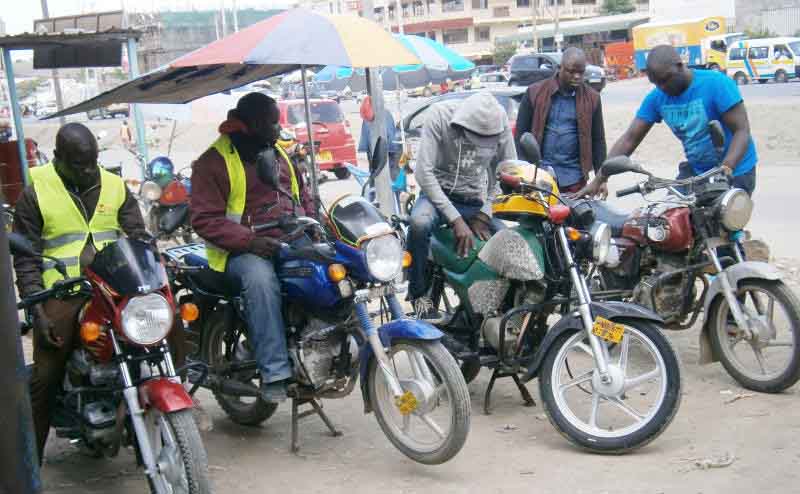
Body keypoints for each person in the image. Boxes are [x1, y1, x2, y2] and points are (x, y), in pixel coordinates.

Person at [12, 123, 150, 461]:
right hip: (63, 291)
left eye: (92, 162)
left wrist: (151, 264)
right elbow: (26, 258)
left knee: (165, 325)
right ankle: (29, 464)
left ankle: (176, 396)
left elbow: (137, 235)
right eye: (78, 164)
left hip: (114, 286)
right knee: (46, 373)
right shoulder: (36, 191)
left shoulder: (114, 185)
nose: (88, 171)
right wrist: (37, 311)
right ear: (57, 157)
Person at [190, 92, 316, 403]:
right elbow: (204, 220)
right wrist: (250, 241)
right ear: (254, 124)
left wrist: (316, 224)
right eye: (273, 123)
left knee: (327, 266)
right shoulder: (213, 162)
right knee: (261, 282)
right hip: (238, 251)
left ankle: (320, 341)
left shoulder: (278, 152)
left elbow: (302, 196)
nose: (279, 129)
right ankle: (275, 372)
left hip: (287, 238)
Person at [576, 45, 758, 198]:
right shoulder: (657, 97)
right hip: (696, 172)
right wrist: (599, 179)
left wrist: (726, 168)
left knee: (721, 223)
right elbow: (629, 139)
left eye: (665, 80)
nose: (662, 87)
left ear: (680, 65)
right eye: (656, 83)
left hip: (736, 169)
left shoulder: (716, 84)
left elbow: (741, 131)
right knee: (670, 217)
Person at [407, 91, 516, 321]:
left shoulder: (500, 121)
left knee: (510, 242)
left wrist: (485, 214)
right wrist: (455, 219)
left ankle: (501, 309)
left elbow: (509, 172)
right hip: (436, 196)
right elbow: (423, 173)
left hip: (475, 201)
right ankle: (418, 295)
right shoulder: (439, 115)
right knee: (418, 225)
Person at [515, 47, 607, 194]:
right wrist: (524, 171)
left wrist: (601, 179)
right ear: (560, 68)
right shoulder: (534, 92)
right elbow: (521, 134)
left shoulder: (592, 98)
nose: (577, 77)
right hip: (539, 177)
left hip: (575, 180)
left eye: (581, 72)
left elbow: (598, 140)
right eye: (571, 72)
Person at [358, 95, 402, 180]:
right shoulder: (381, 113)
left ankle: (391, 186)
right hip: (382, 148)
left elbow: (388, 135)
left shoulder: (382, 115)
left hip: (386, 149)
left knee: (388, 172)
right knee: (384, 172)